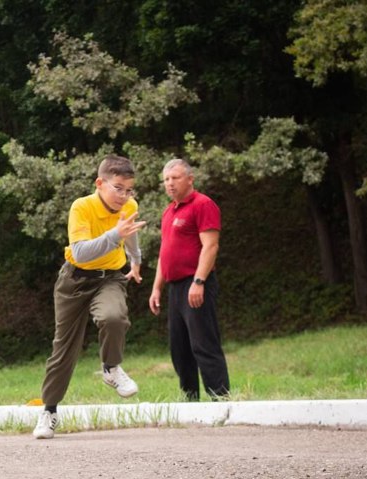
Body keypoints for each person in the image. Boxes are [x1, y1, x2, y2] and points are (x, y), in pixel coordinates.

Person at [33, 155, 146, 440]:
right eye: (118, 188)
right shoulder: (81, 207)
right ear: (100, 183)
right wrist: (114, 233)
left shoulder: (129, 206)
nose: (124, 196)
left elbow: (129, 234)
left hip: (109, 278)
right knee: (64, 349)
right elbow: (82, 253)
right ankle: (49, 411)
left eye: (129, 189)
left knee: (113, 316)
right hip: (74, 280)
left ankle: (111, 367)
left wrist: (135, 259)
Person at [149, 158, 230, 401]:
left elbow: (211, 246)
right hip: (174, 288)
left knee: (203, 344)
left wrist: (199, 282)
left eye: (175, 178)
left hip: (195, 284)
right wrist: (156, 289)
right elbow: (165, 253)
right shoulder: (169, 211)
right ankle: (190, 400)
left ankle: (220, 399)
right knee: (180, 349)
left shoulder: (203, 204)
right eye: (166, 179)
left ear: (190, 179)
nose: (170, 184)